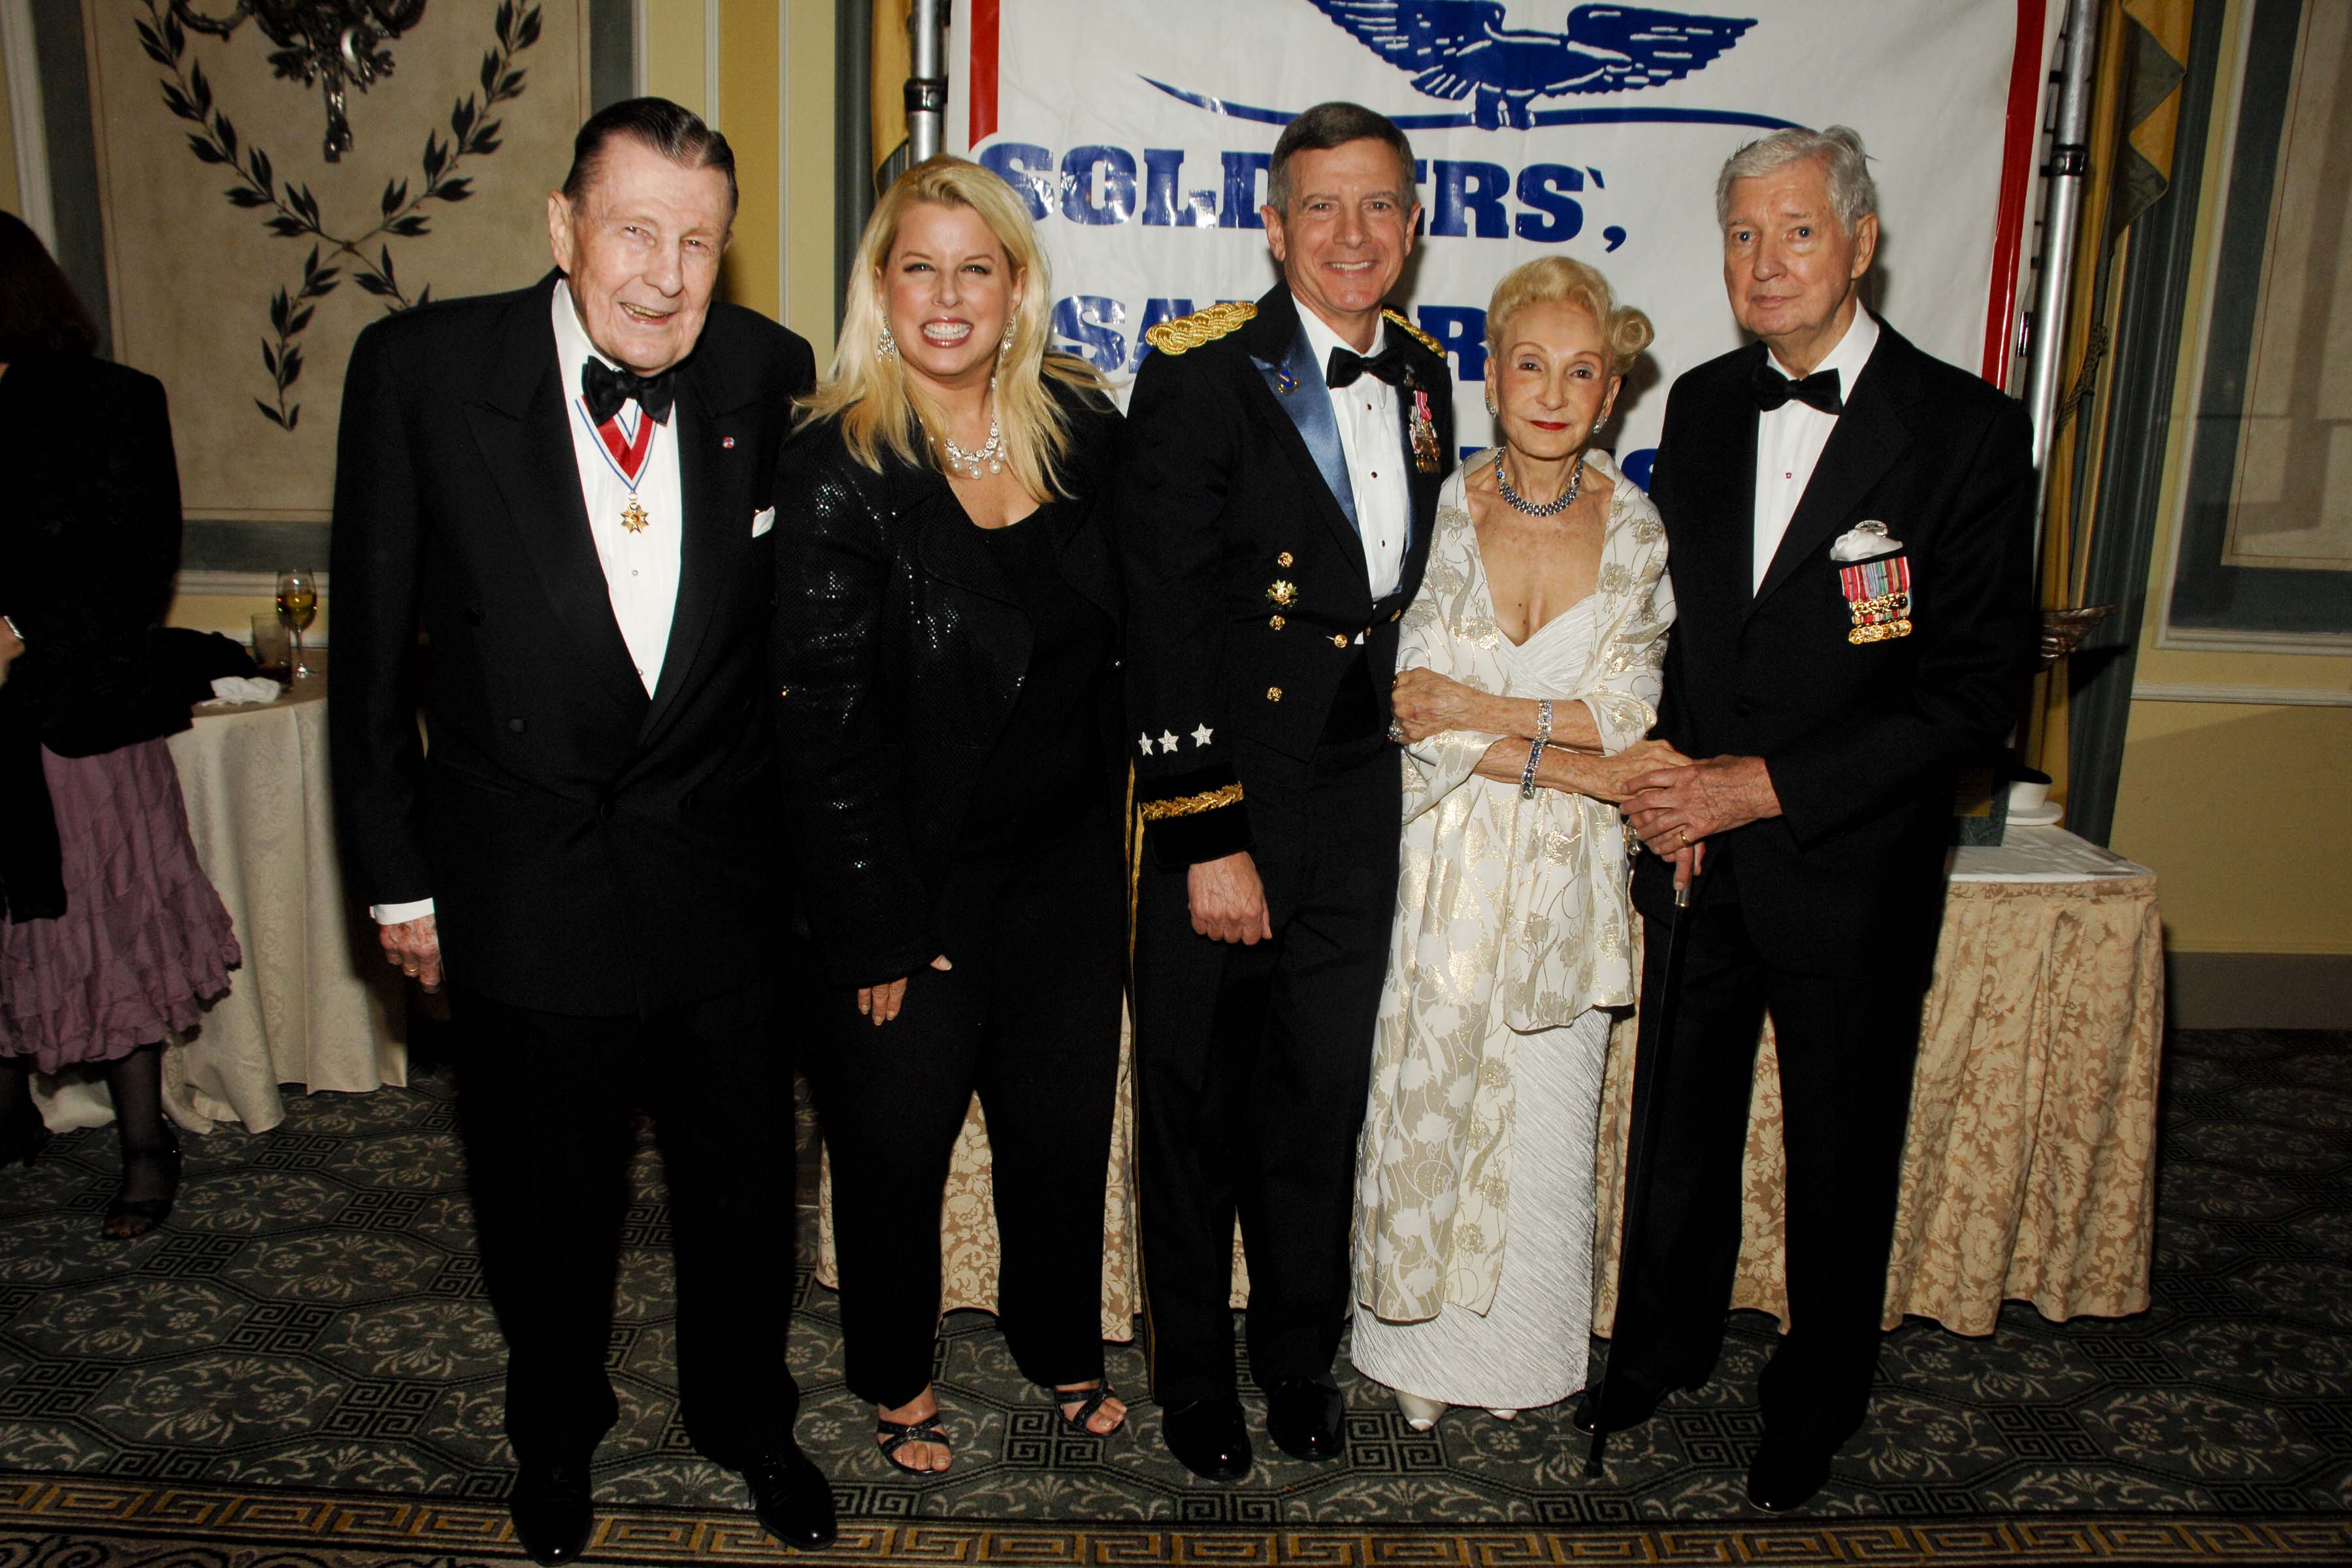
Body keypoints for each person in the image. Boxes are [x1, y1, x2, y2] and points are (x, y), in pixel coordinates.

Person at [328, 99, 834, 1563]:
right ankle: (555, 1435)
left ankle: (749, 1420)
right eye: (633, 233)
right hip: (522, 881)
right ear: (562, 229)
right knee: (545, 1211)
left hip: (722, 882)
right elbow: (367, 664)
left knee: (745, 1194)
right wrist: (395, 879)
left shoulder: (768, 373)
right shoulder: (422, 372)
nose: (667, 276)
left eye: (697, 242)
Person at [1592, 125, 2035, 1512]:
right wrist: (1664, 782)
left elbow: (1973, 700)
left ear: (1860, 242)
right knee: (1677, 1123)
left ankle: (1820, 1390)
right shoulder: (1708, 407)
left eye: (1794, 232)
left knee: (1841, 1147)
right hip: (1702, 853)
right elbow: (1683, 633)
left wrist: (1766, 784)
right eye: (1741, 235)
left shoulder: (1962, 430)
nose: (1765, 261)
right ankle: (1660, 1345)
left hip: (1850, 858)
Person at [773, 156, 1129, 1477]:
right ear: (880, 285)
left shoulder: (1084, 429)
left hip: (1066, 868)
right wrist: (868, 923)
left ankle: (1060, 1345)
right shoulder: (837, 465)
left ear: (1017, 287)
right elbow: (818, 718)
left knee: (1057, 1125)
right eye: (918, 265)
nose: (947, 294)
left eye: (976, 267)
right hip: (908, 882)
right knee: (894, 1142)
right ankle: (898, 1374)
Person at [1122, 100, 1454, 1480]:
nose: (1351, 234)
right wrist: (1209, 836)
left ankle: (1298, 1359)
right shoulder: (1202, 375)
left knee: (1322, 1098)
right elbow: (1164, 615)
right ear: (1272, 225)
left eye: (1377, 205)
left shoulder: (1430, 371)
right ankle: (1196, 1379)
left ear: (1415, 222)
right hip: (1229, 795)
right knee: (1197, 1105)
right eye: (1320, 207)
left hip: (1356, 793)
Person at [1350, 257, 1679, 1426]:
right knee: (1422, 1103)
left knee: (1544, 1121)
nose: (1553, 391)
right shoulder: (1442, 512)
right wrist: (1571, 755)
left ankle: (1526, 1360)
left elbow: (1626, 712)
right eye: (1529, 365)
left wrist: (1485, 714)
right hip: (1440, 868)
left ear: (1612, 390)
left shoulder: (1636, 526)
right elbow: (1405, 707)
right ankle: (1415, 1363)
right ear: (1492, 377)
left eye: (1580, 370)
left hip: (1568, 879)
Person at [0, 212, 240, 1238]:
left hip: (78, 715)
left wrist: (17, 634)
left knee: (109, 922)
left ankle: (148, 1144)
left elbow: (139, 567)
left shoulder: (113, 401)